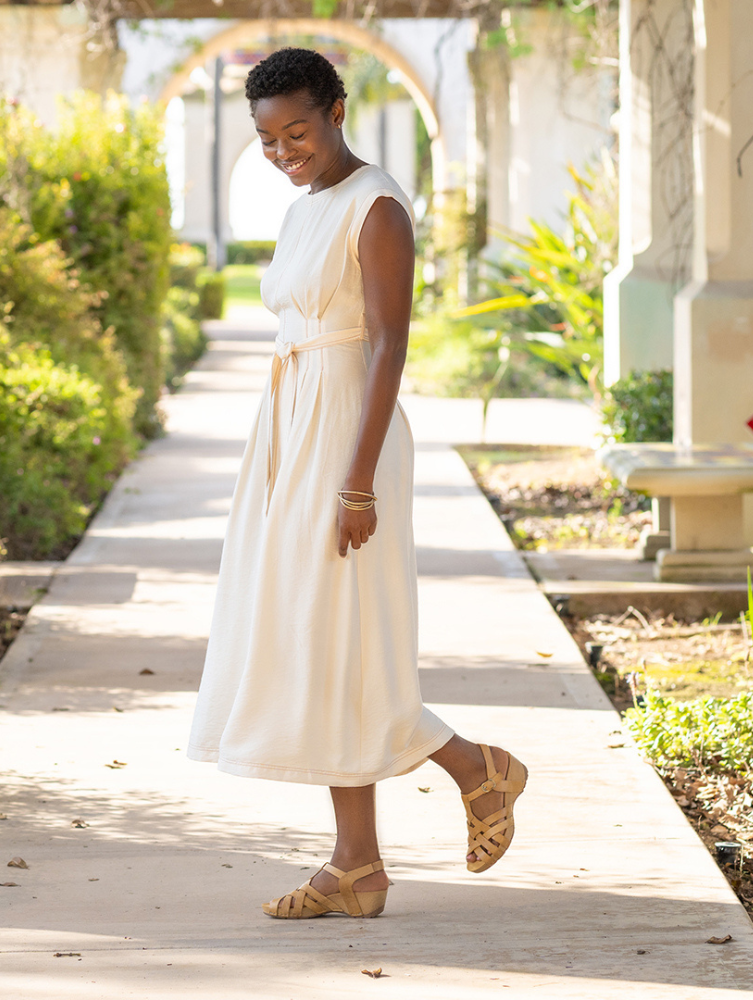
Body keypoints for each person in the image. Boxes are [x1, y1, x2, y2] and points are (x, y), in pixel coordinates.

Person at [187, 46, 527, 920]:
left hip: (348, 435)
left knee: (343, 642)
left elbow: (387, 345)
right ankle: (357, 866)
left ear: (337, 109)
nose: (283, 150)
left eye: (296, 130)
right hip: (293, 426)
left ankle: (476, 767)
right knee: (318, 640)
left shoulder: (376, 207)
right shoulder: (306, 207)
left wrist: (359, 479)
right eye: (266, 139)